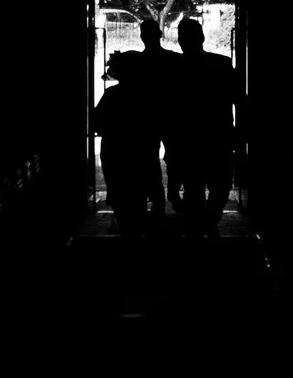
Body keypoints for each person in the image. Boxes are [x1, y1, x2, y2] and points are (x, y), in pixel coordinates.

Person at [165, 17, 241, 236]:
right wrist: (240, 135)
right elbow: (241, 102)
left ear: (180, 41)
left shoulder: (175, 69)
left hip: (187, 143)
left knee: (193, 190)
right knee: (220, 188)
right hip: (219, 139)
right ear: (203, 37)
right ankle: (211, 223)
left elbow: (168, 111)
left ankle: (199, 230)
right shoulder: (223, 64)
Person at [91, 51, 168, 237]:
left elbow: (97, 124)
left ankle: (129, 236)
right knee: (150, 194)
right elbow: (162, 125)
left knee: (122, 201)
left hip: (116, 154)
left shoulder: (111, 95)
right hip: (144, 154)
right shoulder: (151, 96)